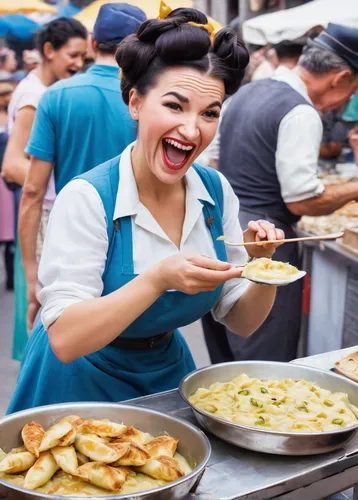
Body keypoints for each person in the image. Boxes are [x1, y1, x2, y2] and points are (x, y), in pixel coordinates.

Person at [7, 5, 285, 413]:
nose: (192, 130)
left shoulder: (215, 192)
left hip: (165, 376)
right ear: (135, 102)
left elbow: (241, 321)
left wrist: (262, 271)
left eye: (210, 113)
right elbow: (65, 338)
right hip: (75, 385)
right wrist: (157, 279)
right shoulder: (87, 198)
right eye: (175, 106)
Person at [202, 23, 358, 364]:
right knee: (264, 358)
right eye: (352, 90)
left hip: (221, 234)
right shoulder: (300, 111)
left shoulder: (246, 92)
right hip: (266, 241)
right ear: (341, 77)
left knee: (224, 355)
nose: (347, 100)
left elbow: (212, 160)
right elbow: (301, 199)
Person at [20, 3, 145, 334]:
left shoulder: (56, 96)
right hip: (130, 245)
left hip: (69, 240)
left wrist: (33, 276)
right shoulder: (144, 100)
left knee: (70, 340)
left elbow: (32, 191)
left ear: (92, 42)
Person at [1, 17, 88, 361]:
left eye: (84, 56)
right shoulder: (36, 96)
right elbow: (12, 164)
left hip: (43, 209)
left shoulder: (40, 90)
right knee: (44, 319)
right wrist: (63, 183)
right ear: (49, 51)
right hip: (43, 213)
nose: (79, 64)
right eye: (73, 55)